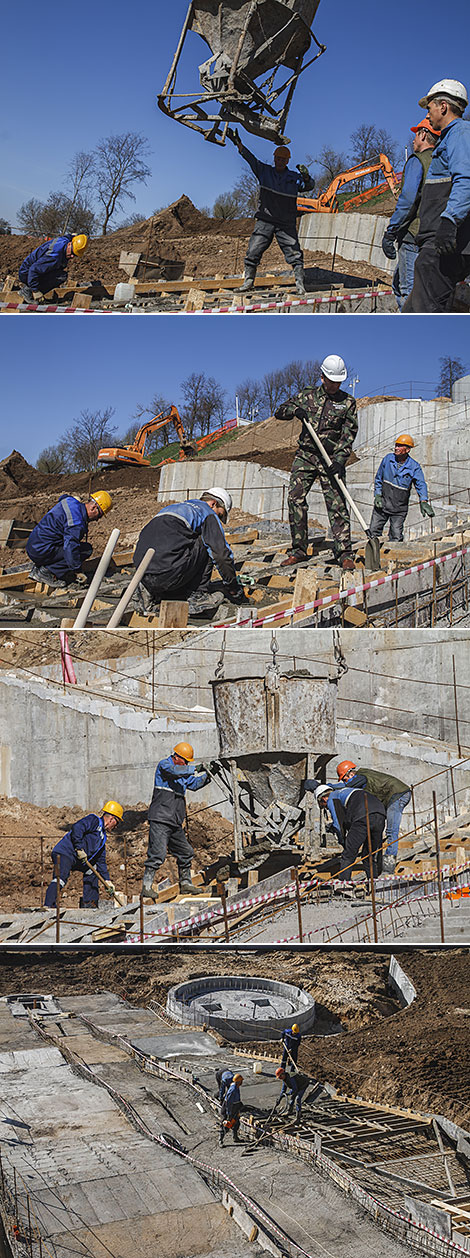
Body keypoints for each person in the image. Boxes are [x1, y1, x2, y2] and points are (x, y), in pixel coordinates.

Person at [274, 355, 358, 572]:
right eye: (332, 381)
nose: (335, 385)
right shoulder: (307, 396)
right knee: (295, 499)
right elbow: (280, 411)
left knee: (338, 504)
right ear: (322, 377)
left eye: (338, 382)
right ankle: (298, 550)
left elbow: (348, 434)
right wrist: (295, 411)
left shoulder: (348, 403)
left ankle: (344, 553)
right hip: (306, 456)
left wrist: (340, 461)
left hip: (331, 459)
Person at [402, 80, 470, 311]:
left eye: (429, 107)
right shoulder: (450, 137)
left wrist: (449, 222)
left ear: (443, 106)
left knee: (423, 307)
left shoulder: (460, 133)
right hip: (440, 240)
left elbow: (466, 179)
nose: (427, 114)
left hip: (444, 240)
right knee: (420, 305)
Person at [133, 488, 245, 617]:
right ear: (213, 503)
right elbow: (221, 555)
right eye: (220, 515)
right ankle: (198, 597)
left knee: (176, 545)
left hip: (143, 574)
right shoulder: (207, 513)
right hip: (169, 575)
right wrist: (232, 586)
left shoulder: (172, 508)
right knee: (209, 543)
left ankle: (150, 592)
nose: (218, 519)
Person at [228, 128, 314, 294]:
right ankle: (248, 282)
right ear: (274, 158)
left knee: (295, 253)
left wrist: (306, 177)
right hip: (265, 219)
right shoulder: (264, 171)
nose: (280, 161)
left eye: (283, 159)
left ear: (287, 161)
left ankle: (300, 285)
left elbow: (309, 187)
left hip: (286, 223)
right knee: (253, 250)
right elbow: (250, 159)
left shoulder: (294, 177)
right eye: (278, 158)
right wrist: (238, 144)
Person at [382, 120, 439, 309]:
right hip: (435, 234)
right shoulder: (443, 161)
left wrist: (391, 231)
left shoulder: (417, 161)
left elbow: (407, 200)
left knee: (409, 291)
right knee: (399, 285)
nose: (413, 140)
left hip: (413, 235)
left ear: (423, 134)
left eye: (416, 135)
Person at [141, 743, 208, 899]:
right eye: (185, 761)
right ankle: (146, 886)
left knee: (186, 852)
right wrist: (196, 769)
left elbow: (195, 784)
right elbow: (175, 771)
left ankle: (185, 883)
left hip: (174, 822)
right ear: (176, 757)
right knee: (157, 854)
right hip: (160, 819)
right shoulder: (165, 766)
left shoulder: (182, 774)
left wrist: (209, 775)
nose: (187, 764)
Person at [336, 761, 412, 874]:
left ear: (350, 774)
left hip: (397, 794)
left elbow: (348, 785)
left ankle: (388, 866)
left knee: (391, 831)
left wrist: (329, 787)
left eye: (344, 778)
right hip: (395, 795)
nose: (345, 781)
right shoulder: (363, 776)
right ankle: (383, 863)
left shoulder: (361, 776)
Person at [44, 801, 123, 908]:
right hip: (65, 853)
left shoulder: (102, 838)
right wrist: (79, 848)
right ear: (111, 819)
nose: (116, 827)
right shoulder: (94, 820)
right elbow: (77, 828)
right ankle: (48, 905)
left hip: (77, 859)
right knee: (61, 878)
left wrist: (107, 880)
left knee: (93, 870)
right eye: (117, 823)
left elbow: (101, 861)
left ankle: (90, 904)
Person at [26, 491, 113, 587]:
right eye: (99, 515)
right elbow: (70, 548)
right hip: (41, 551)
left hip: (33, 545)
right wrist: (77, 570)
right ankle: (45, 572)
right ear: (93, 508)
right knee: (85, 550)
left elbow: (62, 497)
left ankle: (40, 566)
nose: (97, 520)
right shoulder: (76, 523)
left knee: (71, 545)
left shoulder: (70, 501)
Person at [314, 784, 385, 882]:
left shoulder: (332, 798)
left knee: (348, 855)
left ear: (324, 799)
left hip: (362, 815)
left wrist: (343, 841)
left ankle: (344, 885)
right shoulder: (346, 792)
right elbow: (347, 820)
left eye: (324, 806)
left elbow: (337, 825)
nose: (327, 808)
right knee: (369, 855)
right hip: (380, 814)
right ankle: (374, 884)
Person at [369, 435, 434, 542]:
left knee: (396, 536)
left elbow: (421, 484)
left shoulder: (414, 466)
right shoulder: (388, 459)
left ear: (407, 450)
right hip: (382, 505)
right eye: (396, 445)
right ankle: (374, 557)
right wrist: (377, 495)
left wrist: (423, 501)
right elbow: (378, 478)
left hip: (399, 509)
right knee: (373, 533)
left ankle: (393, 558)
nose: (396, 448)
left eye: (400, 446)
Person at [19, 233, 88, 301]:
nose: (72, 256)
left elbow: (69, 236)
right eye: (72, 252)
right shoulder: (54, 256)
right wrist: (35, 290)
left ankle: (31, 289)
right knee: (61, 277)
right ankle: (27, 292)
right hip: (27, 273)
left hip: (30, 269)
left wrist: (73, 235)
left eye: (75, 255)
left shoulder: (65, 241)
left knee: (61, 273)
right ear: (69, 244)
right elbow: (33, 270)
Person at [219, 1074, 244, 1145]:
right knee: (226, 1124)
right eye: (241, 1081)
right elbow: (228, 1102)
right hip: (229, 1108)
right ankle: (220, 1140)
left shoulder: (236, 1087)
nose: (242, 1082)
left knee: (236, 1123)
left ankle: (235, 1138)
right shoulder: (233, 1089)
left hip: (234, 1107)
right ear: (238, 1082)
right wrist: (228, 1113)